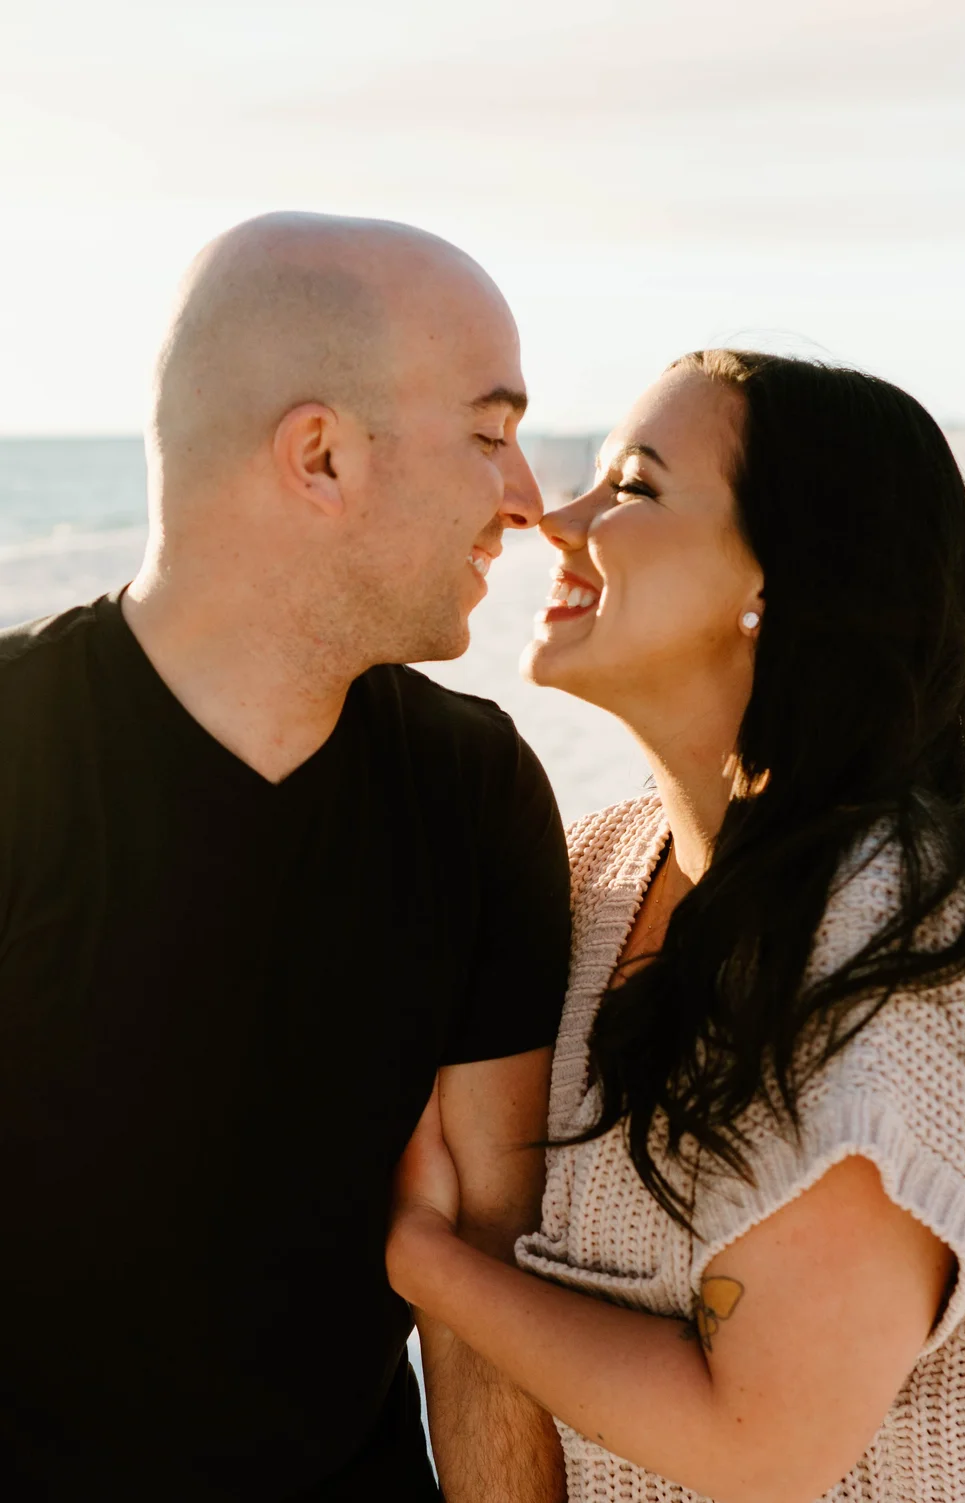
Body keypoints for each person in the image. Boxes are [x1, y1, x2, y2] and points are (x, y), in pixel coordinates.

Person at [0, 213, 571, 1501]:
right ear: (319, 456)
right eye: (489, 436)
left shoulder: (471, 790)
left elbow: (486, 1269)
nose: (527, 499)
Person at [387, 350, 965, 1502]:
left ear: (779, 583)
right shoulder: (602, 870)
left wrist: (432, 1263)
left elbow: (761, 1445)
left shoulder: (899, 942)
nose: (550, 517)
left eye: (632, 487)